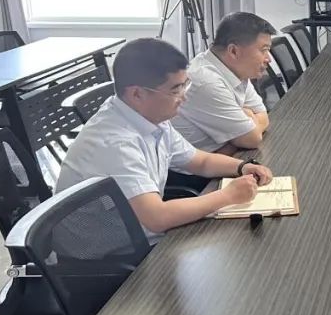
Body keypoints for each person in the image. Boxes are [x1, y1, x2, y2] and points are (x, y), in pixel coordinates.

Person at [56, 38, 274, 240]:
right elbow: (158, 218)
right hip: (112, 254)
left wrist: (242, 167)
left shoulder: (150, 116)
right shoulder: (115, 143)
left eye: (185, 85)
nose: (184, 97)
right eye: (175, 90)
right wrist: (228, 196)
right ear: (137, 94)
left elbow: (200, 161)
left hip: (138, 231)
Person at [172, 12, 275, 153]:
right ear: (233, 51)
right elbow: (252, 139)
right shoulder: (207, 82)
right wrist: (248, 119)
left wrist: (248, 118)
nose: (268, 59)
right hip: (200, 165)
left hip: (224, 156)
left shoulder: (235, 69)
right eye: (264, 50)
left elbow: (263, 115)